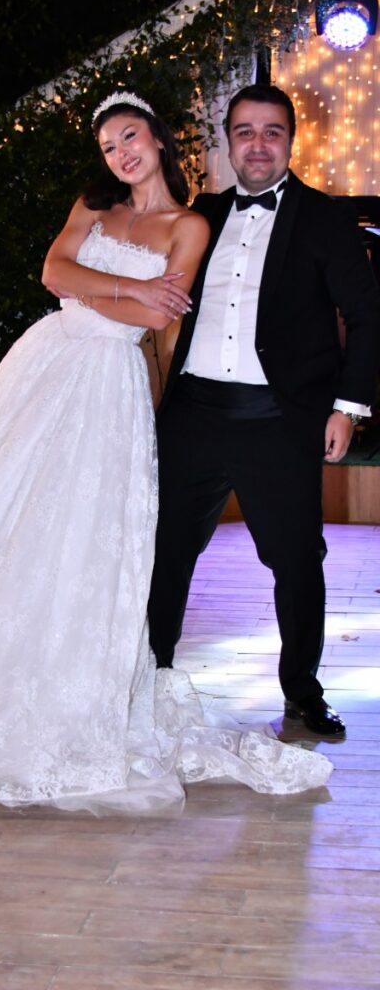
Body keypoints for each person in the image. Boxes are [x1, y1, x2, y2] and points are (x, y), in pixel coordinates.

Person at [0, 91, 334, 813]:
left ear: (158, 140)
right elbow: (54, 274)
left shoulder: (190, 224)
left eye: (130, 137)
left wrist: (100, 293)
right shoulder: (92, 205)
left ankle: (99, 679)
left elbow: (151, 312)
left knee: (89, 528)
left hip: (111, 382)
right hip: (45, 365)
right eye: (109, 145)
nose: (121, 154)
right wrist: (125, 285)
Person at [148, 84, 380, 738]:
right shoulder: (200, 215)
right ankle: (149, 676)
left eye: (272, 131)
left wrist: (347, 408)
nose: (258, 144)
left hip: (279, 420)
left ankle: (303, 694)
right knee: (164, 552)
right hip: (192, 415)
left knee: (297, 560)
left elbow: (368, 317)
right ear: (228, 142)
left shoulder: (325, 219)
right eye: (245, 131)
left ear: (290, 141)